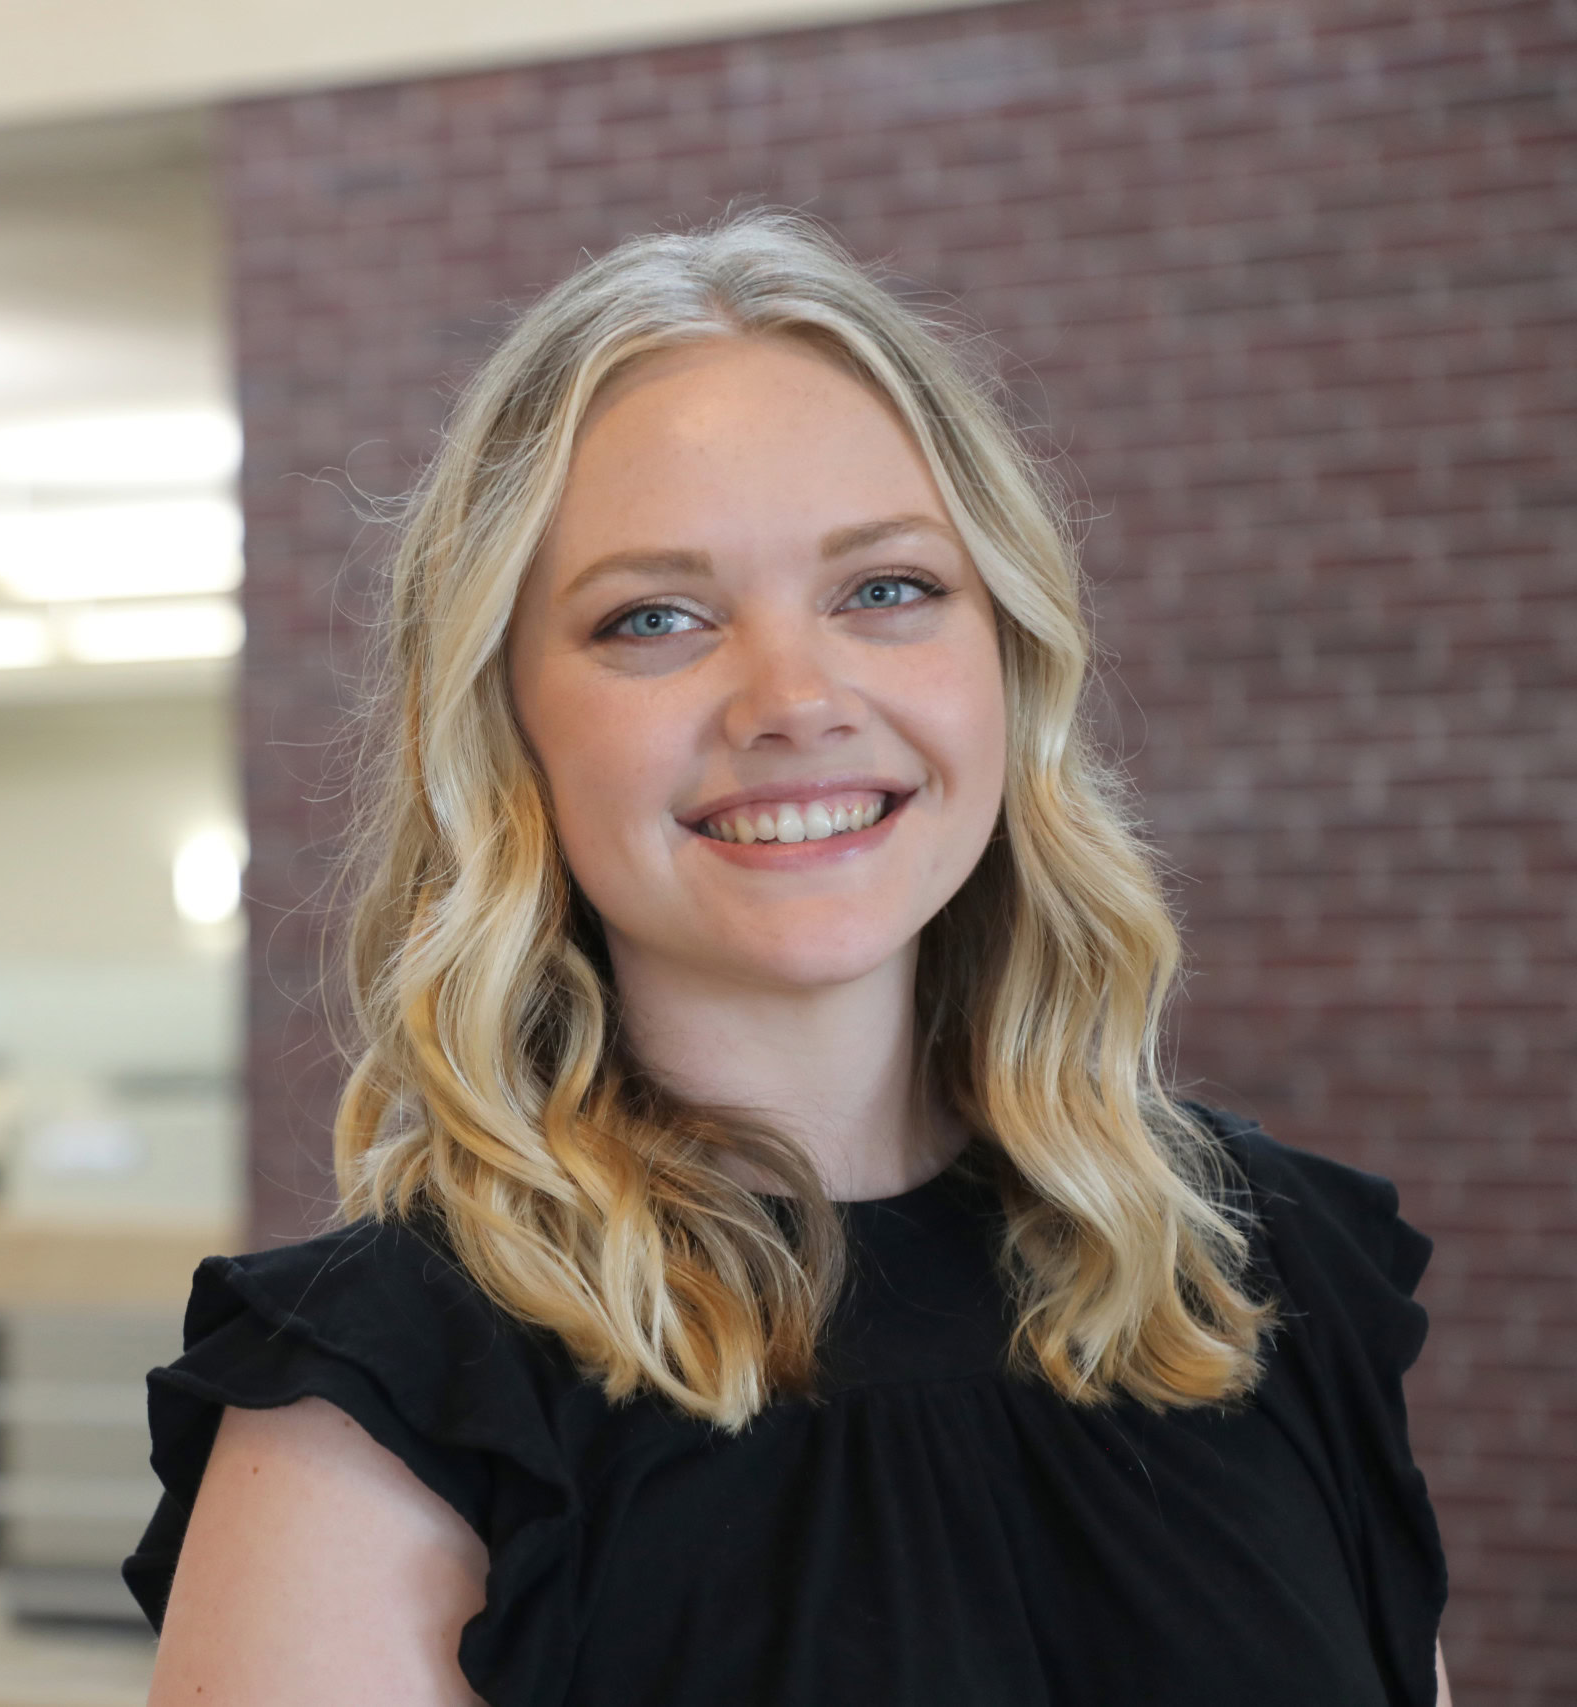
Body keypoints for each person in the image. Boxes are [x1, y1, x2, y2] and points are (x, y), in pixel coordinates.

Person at [124, 212, 1450, 1707]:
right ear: (507, 729)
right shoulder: (379, 1406)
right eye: (656, 617)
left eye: (885, 588)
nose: (794, 698)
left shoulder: (1263, 1272)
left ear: (1006, 658)